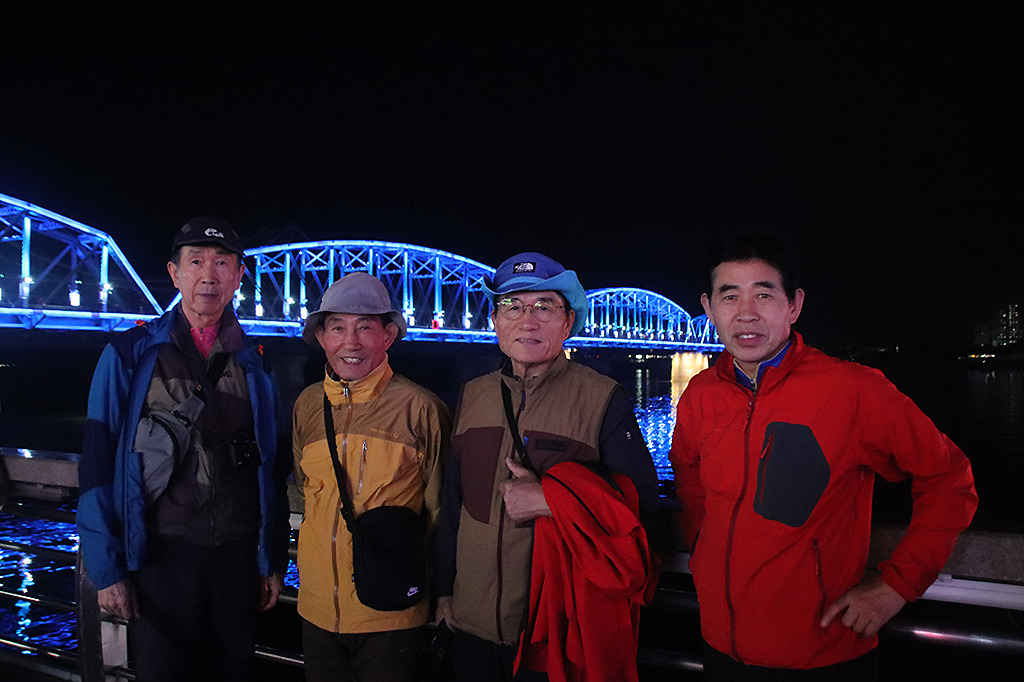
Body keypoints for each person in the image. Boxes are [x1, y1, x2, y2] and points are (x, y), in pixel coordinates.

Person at [669, 230, 978, 680]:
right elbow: (688, 471)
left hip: (823, 654)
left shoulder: (853, 390)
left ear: (794, 305)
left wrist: (897, 585)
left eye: (764, 294)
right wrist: (702, 547)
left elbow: (949, 479)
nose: (746, 312)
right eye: (729, 296)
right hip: (720, 646)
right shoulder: (700, 394)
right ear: (709, 307)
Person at [76, 217, 290, 681]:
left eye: (222, 263)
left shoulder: (255, 361)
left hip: (236, 556)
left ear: (239, 276)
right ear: (174, 273)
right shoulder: (131, 354)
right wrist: (107, 569)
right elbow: (96, 463)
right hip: (162, 556)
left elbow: (272, 466)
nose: (208, 275)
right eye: (195, 262)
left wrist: (271, 560)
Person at [435, 252, 660, 682]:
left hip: (551, 632)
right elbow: (453, 504)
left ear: (568, 321)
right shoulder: (473, 394)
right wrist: (444, 591)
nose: (527, 320)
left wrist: (552, 500)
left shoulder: (602, 399)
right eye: (512, 306)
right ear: (495, 321)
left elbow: (639, 511)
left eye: (544, 306)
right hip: (469, 622)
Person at [291, 271, 451, 682]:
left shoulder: (421, 409)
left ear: (388, 335)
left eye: (365, 327)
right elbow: (304, 493)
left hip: (390, 613)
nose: (351, 342)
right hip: (316, 611)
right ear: (321, 337)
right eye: (337, 328)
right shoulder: (307, 405)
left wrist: (443, 591)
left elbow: (442, 511)